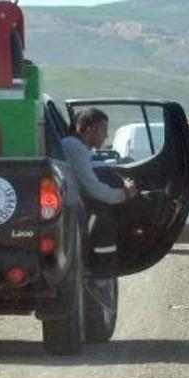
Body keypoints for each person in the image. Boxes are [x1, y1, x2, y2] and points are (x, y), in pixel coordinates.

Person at [60, 108, 138, 265]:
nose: (107, 136)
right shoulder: (74, 147)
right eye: (104, 130)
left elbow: (89, 167)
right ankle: (102, 270)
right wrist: (124, 194)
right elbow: (94, 189)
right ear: (90, 130)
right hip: (70, 213)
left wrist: (113, 165)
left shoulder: (75, 147)